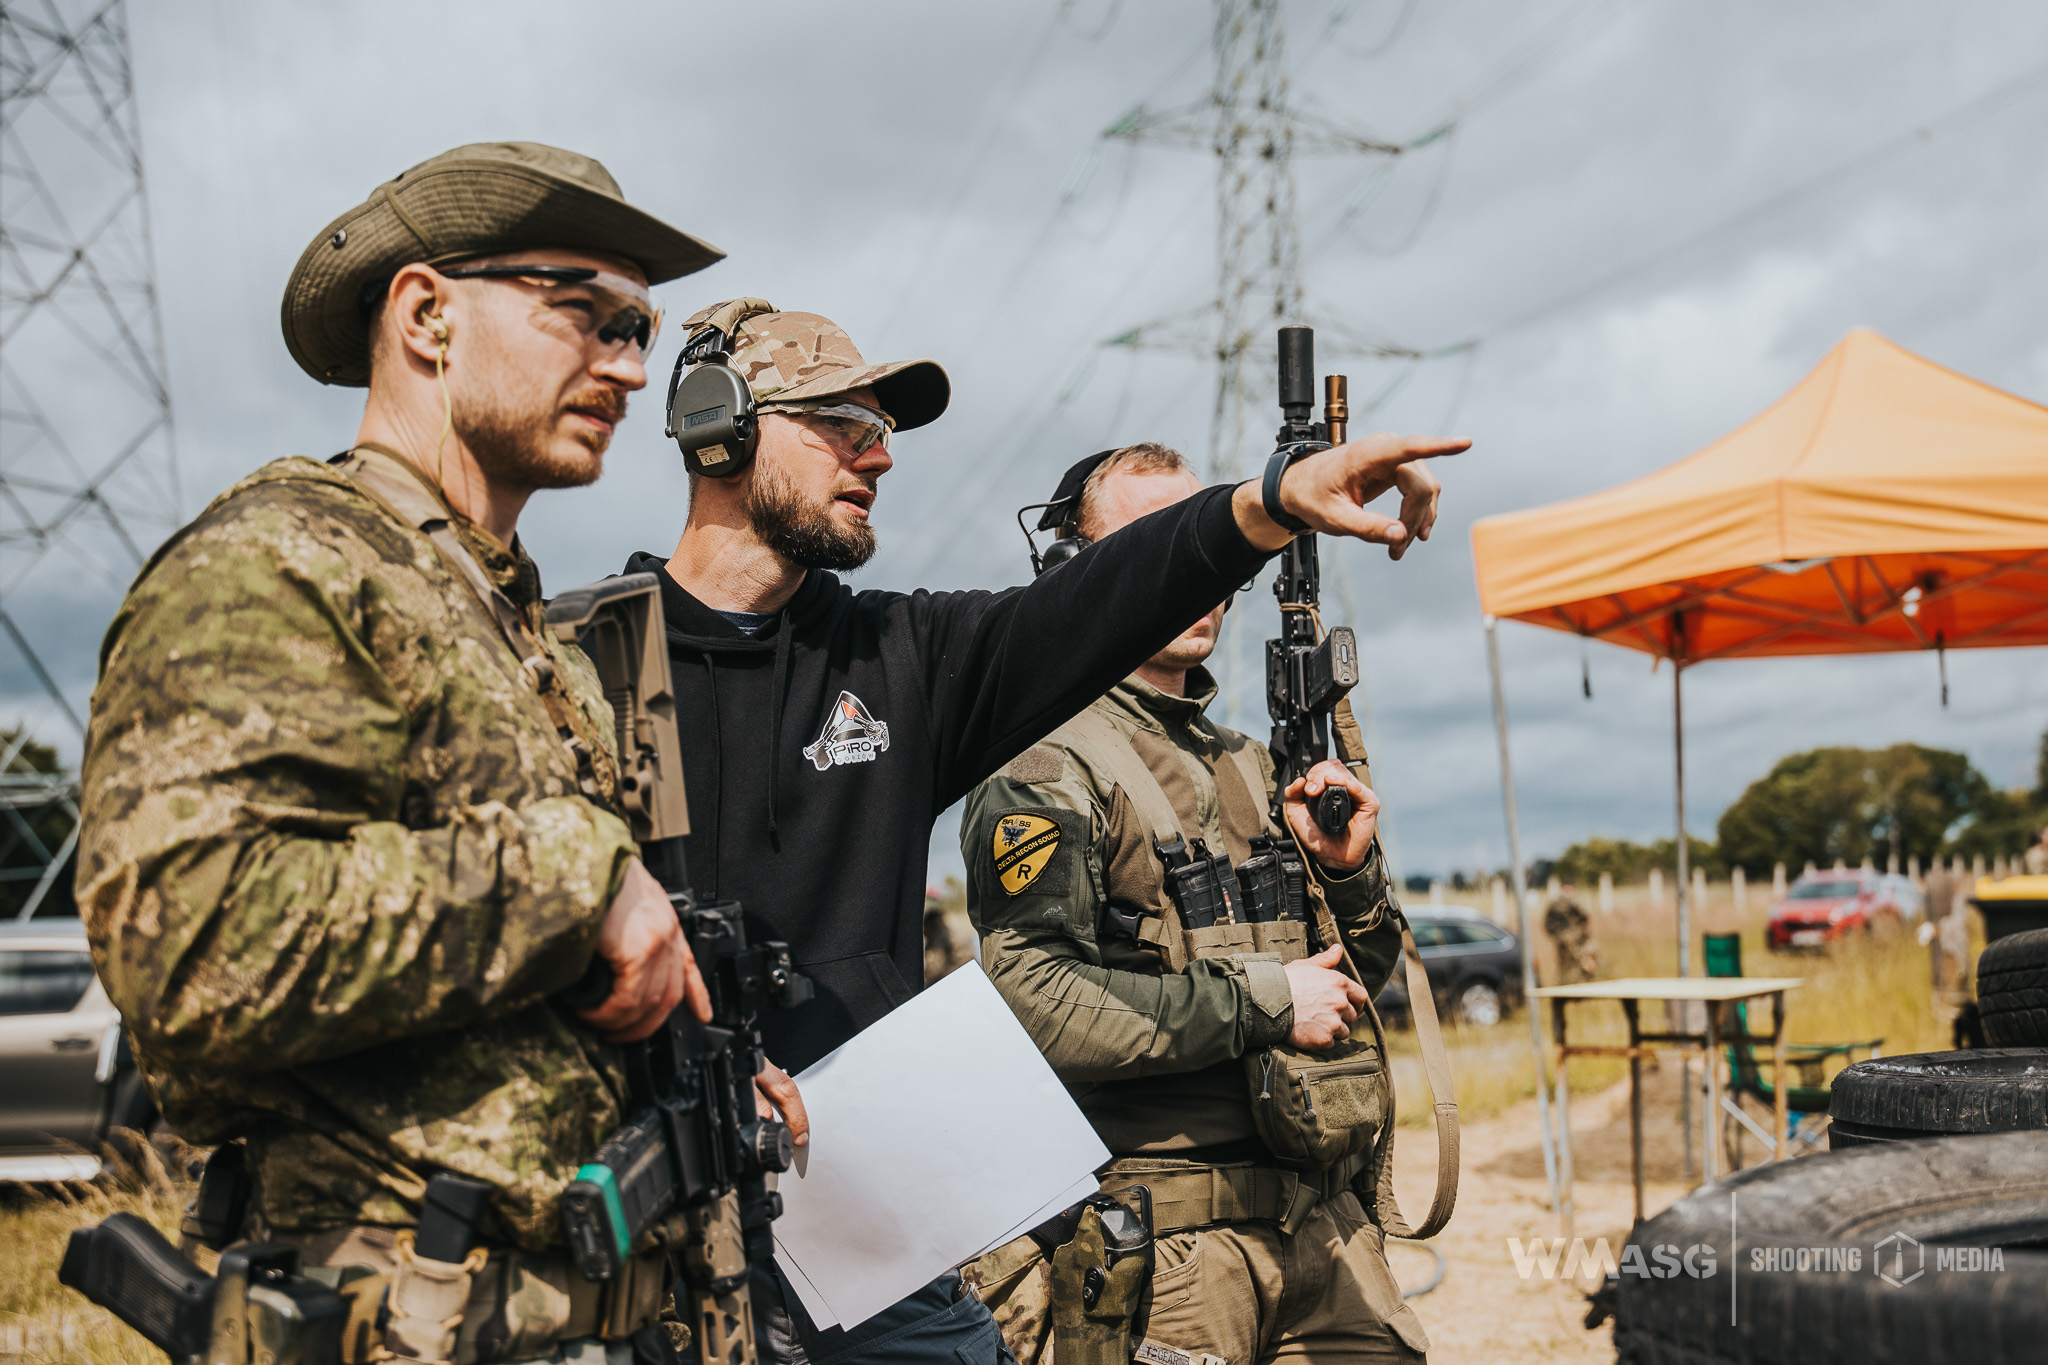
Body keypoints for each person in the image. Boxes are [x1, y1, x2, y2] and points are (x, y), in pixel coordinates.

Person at [623, 299, 1464, 1363]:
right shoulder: (581, 663)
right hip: (656, 1223)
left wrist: (1267, 503)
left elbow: (1083, 611)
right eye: (841, 422)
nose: (879, 455)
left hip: (865, 1230)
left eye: (881, 429)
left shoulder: (899, 654)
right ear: (720, 425)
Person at [74, 142, 803, 1364]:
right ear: (425, 316)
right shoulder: (279, 567)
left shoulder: (524, 629)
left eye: (639, 328)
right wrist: (574, 882)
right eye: (588, 312)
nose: (630, 365)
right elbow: (191, 949)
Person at [954, 443, 1431, 1365]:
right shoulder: (1045, 763)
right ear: (1075, 570)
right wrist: (1264, 1000)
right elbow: (1031, 999)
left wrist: (1346, 875)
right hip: (1164, 1255)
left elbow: (1357, 985)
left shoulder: (1256, 763)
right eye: (1156, 538)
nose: (1193, 566)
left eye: (1204, 539)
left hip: (1327, 1232)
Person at [1543, 883, 1598, 984]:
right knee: (1576, 962)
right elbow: (1584, 917)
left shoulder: (1554, 904)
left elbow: (1547, 924)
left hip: (1561, 939)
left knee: (1564, 964)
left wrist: (1554, 936)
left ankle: (1564, 983)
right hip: (1570, 938)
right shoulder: (1571, 903)